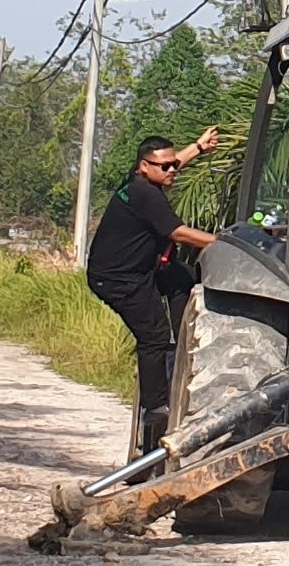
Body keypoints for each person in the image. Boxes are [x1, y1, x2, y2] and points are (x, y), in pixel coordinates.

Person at [86, 127, 220, 451]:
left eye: (174, 164)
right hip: (120, 280)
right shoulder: (144, 194)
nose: (173, 170)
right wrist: (228, 243)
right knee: (154, 338)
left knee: (183, 279)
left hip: (143, 272)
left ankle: (181, 341)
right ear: (143, 167)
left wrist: (198, 147)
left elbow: (173, 163)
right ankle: (155, 412)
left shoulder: (145, 180)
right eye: (165, 167)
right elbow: (179, 234)